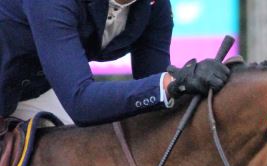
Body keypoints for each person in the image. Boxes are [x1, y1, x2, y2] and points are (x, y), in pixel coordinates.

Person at [0, 0, 230, 127]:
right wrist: (173, 83)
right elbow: (81, 103)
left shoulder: (154, 7)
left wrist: (191, 85)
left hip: (30, 91)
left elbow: (155, 102)